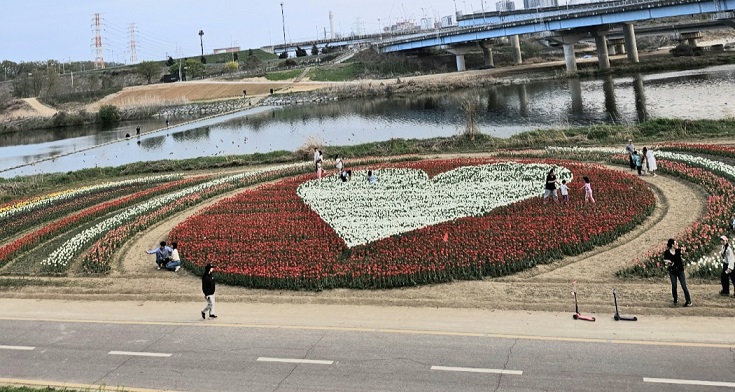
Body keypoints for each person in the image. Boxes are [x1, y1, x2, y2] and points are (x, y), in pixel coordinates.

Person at [663, 239, 691, 307]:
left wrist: (684, 253)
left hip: (680, 271)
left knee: (684, 286)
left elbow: (683, 255)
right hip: (672, 271)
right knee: (674, 285)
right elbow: (664, 259)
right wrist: (670, 262)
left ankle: (688, 301)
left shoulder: (678, 251)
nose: (677, 245)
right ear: (672, 245)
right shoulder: (667, 252)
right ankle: (675, 299)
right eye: (676, 244)